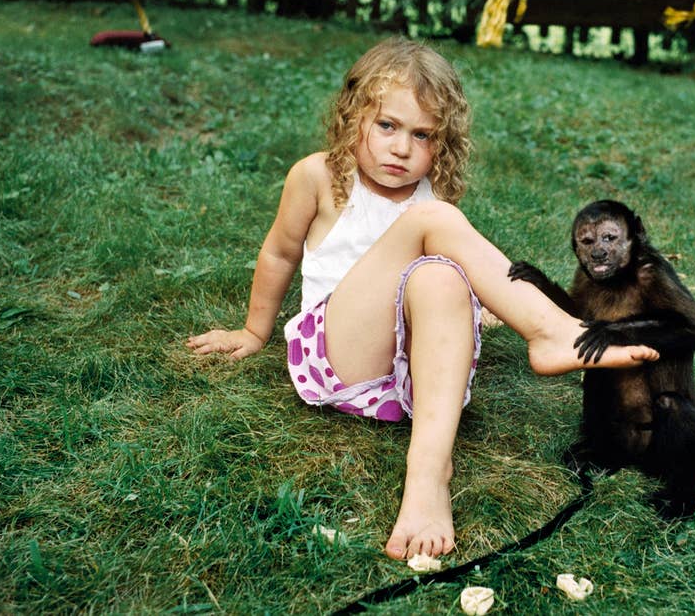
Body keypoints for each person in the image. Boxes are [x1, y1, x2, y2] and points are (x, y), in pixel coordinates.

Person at [188, 37, 659, 561]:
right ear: (352, 115)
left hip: (416, 381)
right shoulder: (320, 176)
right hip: (344, 355)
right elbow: (279, 254)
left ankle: (429, 475)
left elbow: (440, 283)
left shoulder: (429, 193)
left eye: (422, 135)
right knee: (433, 225)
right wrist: (255, 332)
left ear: (443, 143)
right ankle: (549, 330)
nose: (401, 147)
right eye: (387, 125)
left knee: (439, 273)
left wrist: (470, 300)